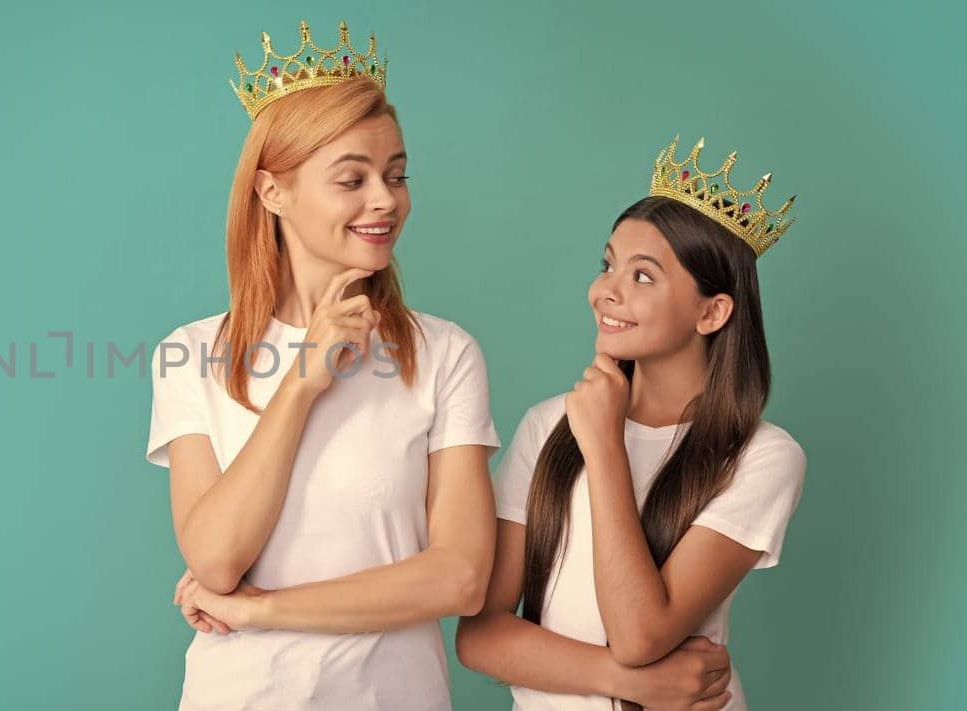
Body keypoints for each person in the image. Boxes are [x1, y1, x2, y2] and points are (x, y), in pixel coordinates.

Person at [143, 20, 501, 711]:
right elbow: (215, 558)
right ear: (272, 192)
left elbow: (459, 577)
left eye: (396, 176)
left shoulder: (444, 354)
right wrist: (303, 381)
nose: (385, 200)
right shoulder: (189, 355)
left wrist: (262, 609)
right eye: (352, 178)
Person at [455, 136, 808, 710]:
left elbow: (641, 632)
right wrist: (627, 682)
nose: (606, 292)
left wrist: (603, 446)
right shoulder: (548, 425)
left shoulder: (761, 456)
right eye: (608, 265)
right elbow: (480, 636)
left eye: (643, 276)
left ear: (712, 311)